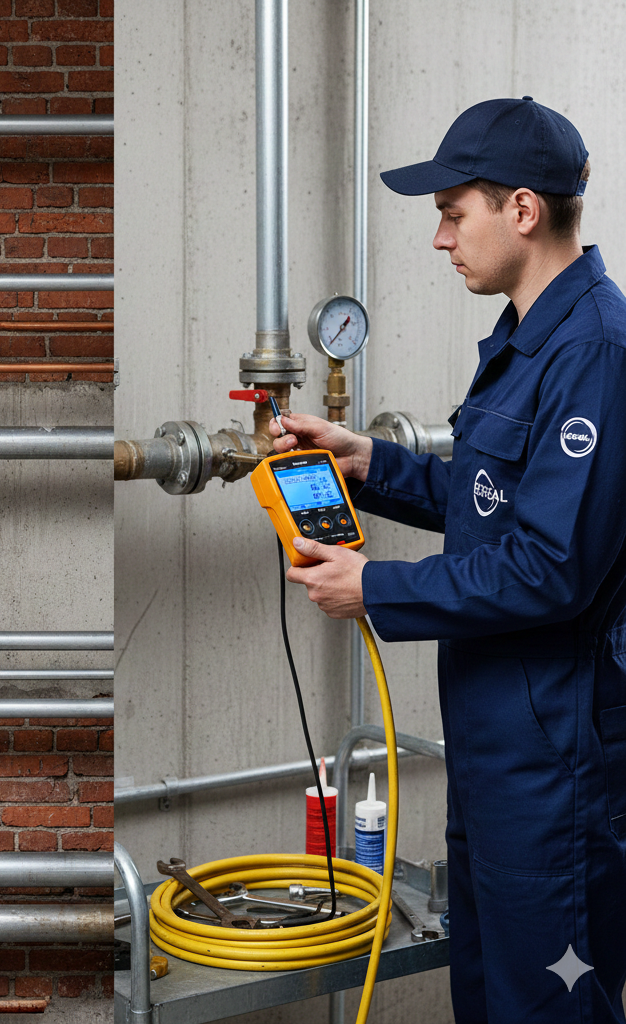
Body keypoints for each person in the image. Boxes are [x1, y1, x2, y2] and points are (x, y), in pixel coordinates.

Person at [273, 97, 626, 1024]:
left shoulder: (596, 352)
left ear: (522, 210)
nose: (439, 238)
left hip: (558, 766)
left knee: (547, 1008)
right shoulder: (525, 339)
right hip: (494, 751)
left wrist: (374, 588)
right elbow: (491, 510)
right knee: (486, 995)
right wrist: (369, 464)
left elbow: (551, 566)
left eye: (452, 211)